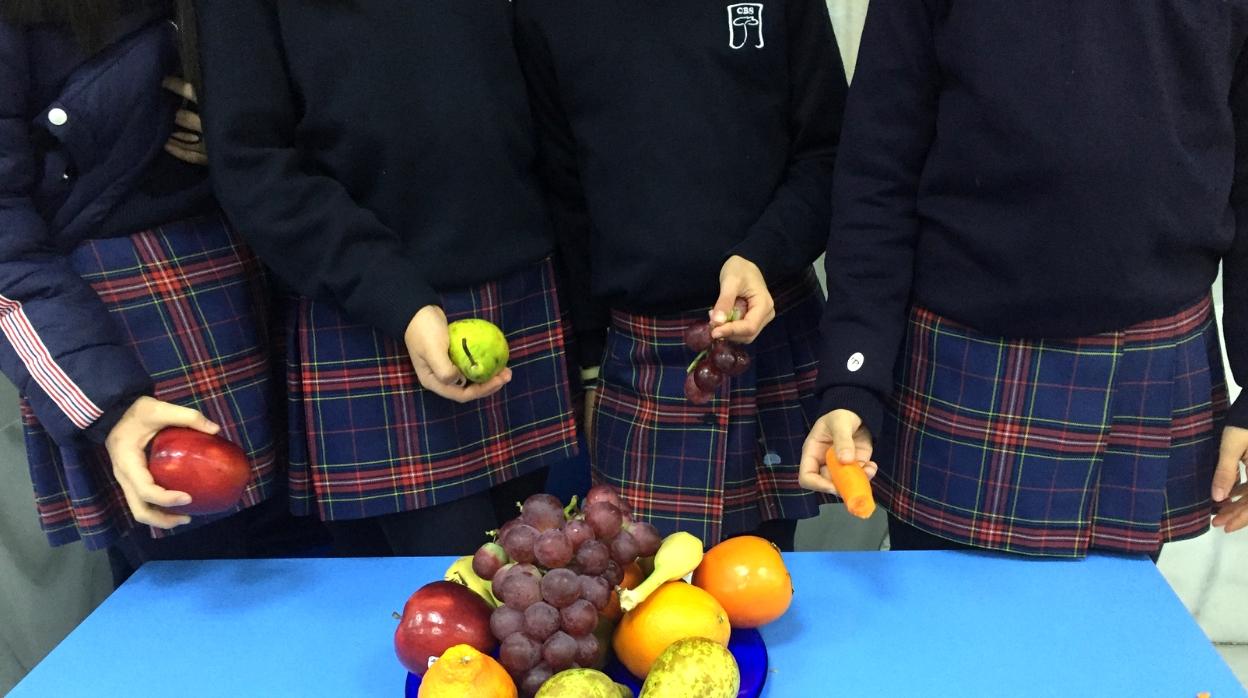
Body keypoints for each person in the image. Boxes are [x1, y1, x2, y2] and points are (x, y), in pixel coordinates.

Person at [800, 0, 1248, 556]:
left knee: (1104, 627)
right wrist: (854, 374)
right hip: (964, 363)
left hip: (1147, 358)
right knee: (947, 627)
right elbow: (876, 170)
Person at [194, 0, 580, 556]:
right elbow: (254, 164)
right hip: (369, 312)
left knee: (531, 577)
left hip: (520, 290)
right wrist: (396, 299)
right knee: (442, 600)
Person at [514, 0, 848, 550]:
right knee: (642, 588)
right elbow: (563, 196)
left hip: (768, 324)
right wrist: (591, 361)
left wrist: (762, 254)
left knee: (760, 579)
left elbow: (829, 151)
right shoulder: (544, 13)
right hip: (640, 349)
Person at [0, 0, 299, 583]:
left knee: (350, 584)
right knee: (210, 602)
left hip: (301, 271)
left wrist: (253, 130)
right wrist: (108, 405)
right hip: (134, 319)